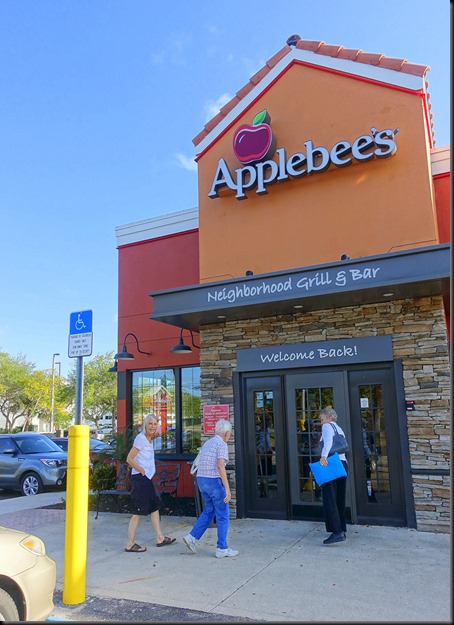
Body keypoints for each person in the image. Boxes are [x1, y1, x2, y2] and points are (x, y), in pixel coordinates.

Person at [183, 418, 239, 558]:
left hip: (201, 480)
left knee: (209, 510)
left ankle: (192, 537)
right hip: (213, 481)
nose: (230, 435)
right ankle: (222, 548)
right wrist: (227, 489)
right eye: (230, 432)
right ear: (226, 433)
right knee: (223, 514)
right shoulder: (222, 444)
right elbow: (220, 466)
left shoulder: (208, 442)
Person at [125, 413, 176, 552]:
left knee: (154, 507)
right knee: (137, 511)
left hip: (146, 479)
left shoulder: (149, 439)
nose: (152, 426)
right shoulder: (141, 439)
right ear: (145, 425)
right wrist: (141, 470)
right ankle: (130, 544)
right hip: (140, 479)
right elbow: (129, 459)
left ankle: (160, 538)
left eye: (155, 424)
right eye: (150, 424)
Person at [318, 407, 348, 545]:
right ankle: (341, 528)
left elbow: (328, 442)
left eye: (322, 419)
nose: (321, 423)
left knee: (330, 498)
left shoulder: (327, 427)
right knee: (339, 498)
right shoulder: (339, 429)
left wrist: (323, 456)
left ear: (329, 418)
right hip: (342, 463)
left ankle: (336, 532)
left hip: (331, 463)